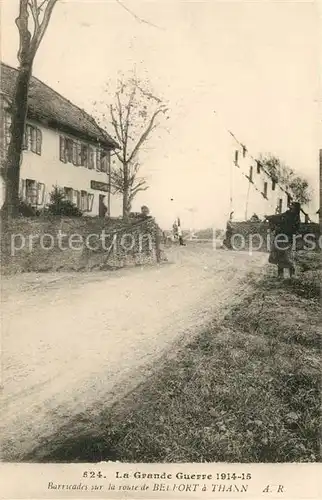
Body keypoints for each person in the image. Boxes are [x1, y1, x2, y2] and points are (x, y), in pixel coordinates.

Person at [265, 202, 301, 278]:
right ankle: (280, 274)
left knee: (287, 256)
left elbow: (295, 228)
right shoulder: (285, 214)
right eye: (290, 205)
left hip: (288, 238)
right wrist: (269, 217)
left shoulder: (296, 217)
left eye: (292, 205)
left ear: (296, 208)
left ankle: (292, 273)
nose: (290, 206)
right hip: (279, 237)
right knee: (279, 255)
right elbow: (276, 217)